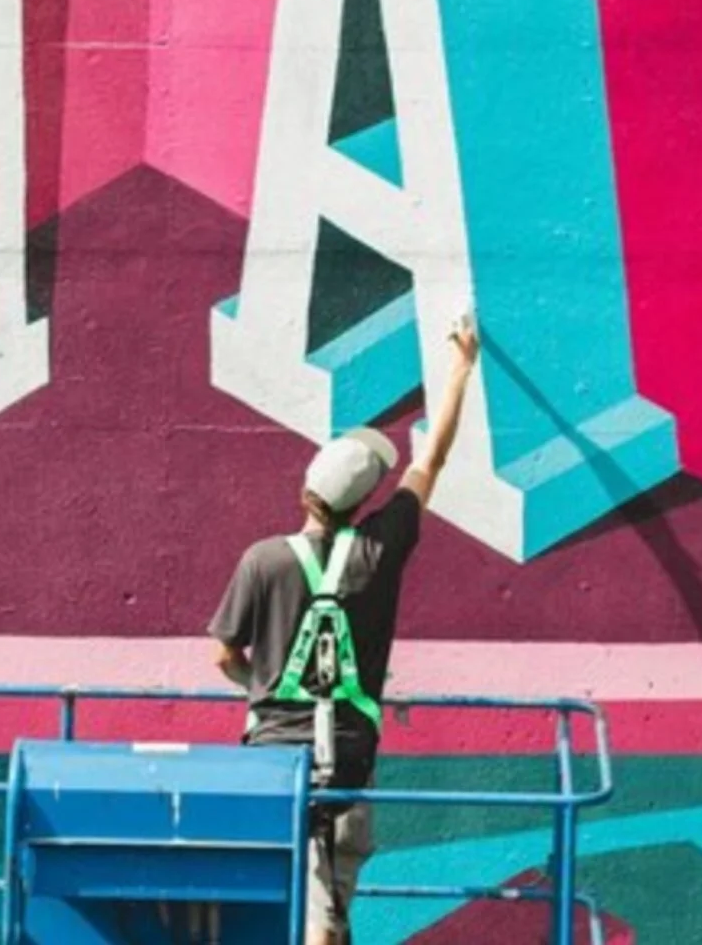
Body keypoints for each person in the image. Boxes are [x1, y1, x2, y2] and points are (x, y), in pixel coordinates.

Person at [207, 318, 480, 945]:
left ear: (306, 490)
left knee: (273, 905)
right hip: (346, 761)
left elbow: (224, 655)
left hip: (269, 762)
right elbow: (431, 460)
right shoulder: (379, 551)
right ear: (362, 504)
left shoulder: (262, 560)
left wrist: (263, 687)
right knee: (327, 905)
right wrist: (460, 371)